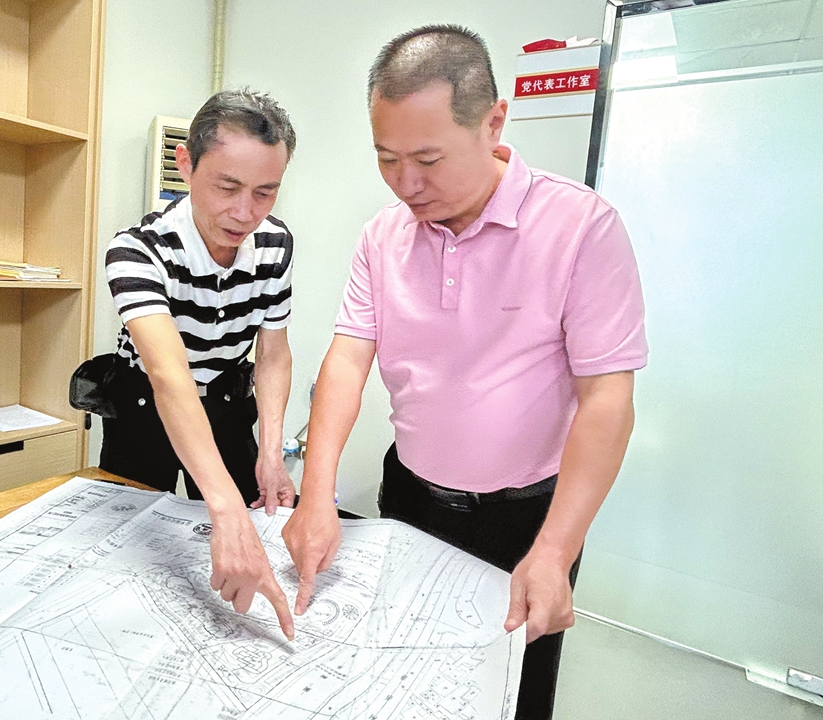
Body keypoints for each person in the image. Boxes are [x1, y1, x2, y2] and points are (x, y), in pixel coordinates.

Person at [281, 25, 647, 718]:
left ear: (494, 122)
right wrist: (318, 493)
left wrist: (556, 549)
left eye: (427, 158)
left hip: (530, 517)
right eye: (387, 159)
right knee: (404, 684)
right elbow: (348, 359)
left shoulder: (580, 228)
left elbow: (608, 401)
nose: (406, 184)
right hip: (413, 500)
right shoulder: (382, 236)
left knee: (511, 691)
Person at [101, 88, 298, 638]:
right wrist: (227, 511)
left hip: (230, 406)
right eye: (227, 187)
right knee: (138, 556)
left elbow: (273, 351)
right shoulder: (138, 250)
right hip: (147, 411)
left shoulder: (275, 244)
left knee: (255, 542)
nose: (244, 213)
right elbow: (169, 377)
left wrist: (271, 452)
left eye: (265, 193)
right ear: (186, 164)